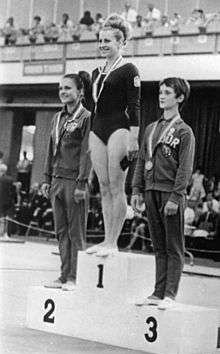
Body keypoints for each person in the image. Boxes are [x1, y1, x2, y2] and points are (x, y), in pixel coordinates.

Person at [132, 77, 195, 309]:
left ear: (179, 98)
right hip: (150, 191)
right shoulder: (151, 128)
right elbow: (141, 160)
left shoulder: (184, 131)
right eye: (160, 91)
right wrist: (137, 189)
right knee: (158, 246)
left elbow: (185, 168)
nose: (161, 95)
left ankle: (170, 294)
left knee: (174, 246)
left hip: (170, 194)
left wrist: (176, 196)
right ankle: (157, 292)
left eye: (167, 92)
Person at [85, 13, 141, 257]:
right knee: (104, 186)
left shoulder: (129, 69)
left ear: (121, 43)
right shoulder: (96, 72)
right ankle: (106, 239)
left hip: (120, 126)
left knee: (117, 186)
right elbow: (92, 106)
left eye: (108, 41)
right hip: (98, 127)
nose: (103, 45)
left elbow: (135, 105)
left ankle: (113, 241)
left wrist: (134, 138)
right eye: (100, 41)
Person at [41, 72, 91, 290]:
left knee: (75, 232)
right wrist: (46, 178)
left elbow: (87, 153)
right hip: (56, 181)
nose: (63, 92)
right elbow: (50, 150)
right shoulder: (57, 118)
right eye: (61, 88)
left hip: (74, 181)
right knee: (60, 231)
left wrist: (82, 182)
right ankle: (63, 275)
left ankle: (74, 277)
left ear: (80, 92)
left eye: (68, 88)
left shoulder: (87, 117)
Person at [0, 164, 15, 238]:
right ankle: (6, 233)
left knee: (1, 217)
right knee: (7, 218)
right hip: (8, 201)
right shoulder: (10, 179)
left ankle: (1, 232)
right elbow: (13, 191)